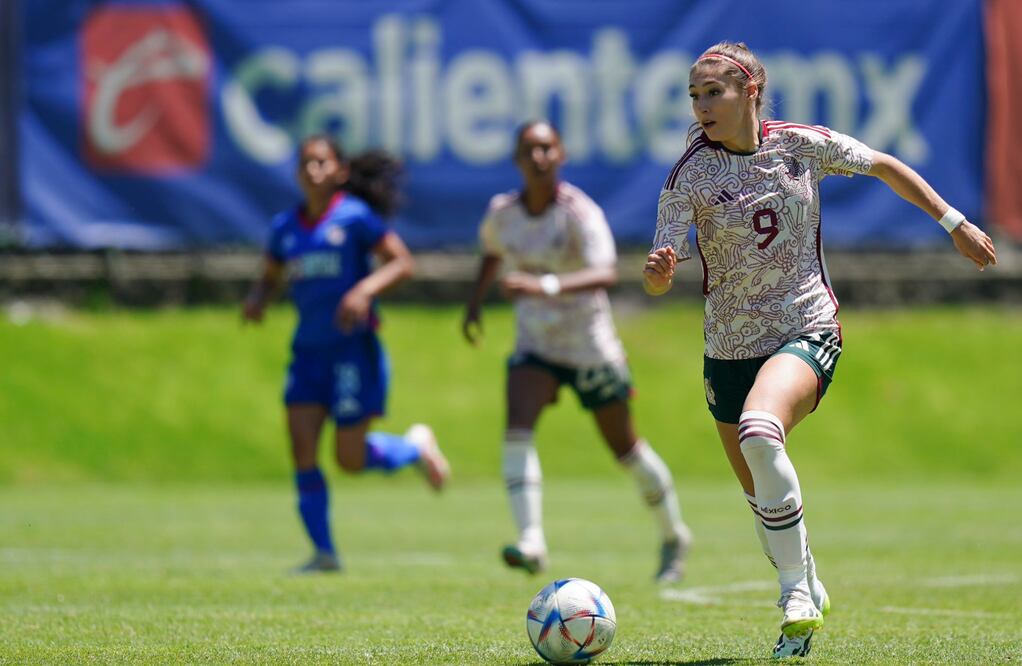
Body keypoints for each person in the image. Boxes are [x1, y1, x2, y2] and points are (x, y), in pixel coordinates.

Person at [644, 42, 998, 658]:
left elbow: (883, 164)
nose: (701, 106)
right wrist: (657, 272)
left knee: (760, 432)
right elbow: (658, 270)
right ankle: (806, 575)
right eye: (694, 94)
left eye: (714, 92)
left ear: (750, 89)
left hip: (805, 327)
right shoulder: (690, 175)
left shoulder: (800, 145)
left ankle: (794, 600)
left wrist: (954, 222)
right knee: (758, 490)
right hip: (728, 345)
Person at [463, 120, 693, 583]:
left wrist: (542, 284)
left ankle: (674, 535)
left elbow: (605, 272)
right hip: (536, 344)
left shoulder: (578, 212)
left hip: (589, 345)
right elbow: (492, 251)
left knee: (625, 448)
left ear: (561, 155)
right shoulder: (503, 212)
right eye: (529, 149)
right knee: (517, 429)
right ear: (517, 160)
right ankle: (531, 540)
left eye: (547, 148)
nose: (539, 157)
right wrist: (473, 304)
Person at [243, 136, 451, 573]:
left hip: (352, 352)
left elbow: (401, 263)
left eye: (322, 162)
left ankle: (414, 448)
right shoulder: (285, 228)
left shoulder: (355, 218)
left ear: (339, 171)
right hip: (308, 355)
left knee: (349, 460)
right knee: (302, 446)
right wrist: (259, 299)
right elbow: (270, 275)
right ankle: (324, 553)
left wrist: (363, 289)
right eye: (305, 163)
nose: (313, 170)